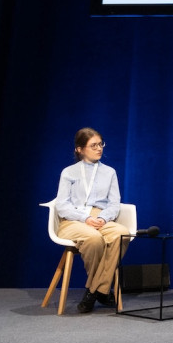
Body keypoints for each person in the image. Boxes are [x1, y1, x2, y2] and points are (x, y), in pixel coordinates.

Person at [54, 127, 126, 314]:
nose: (99, 148)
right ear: (79, 149)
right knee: (94, 239)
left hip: (100, 218)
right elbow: (62, 205)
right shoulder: (68, 172)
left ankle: (94, 290)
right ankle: (101, 291)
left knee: (122, 234)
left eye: (101, 144)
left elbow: (114, 203)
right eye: (93, 145)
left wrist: (102, 217)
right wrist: (85, 218)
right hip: (73, 220)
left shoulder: (109, 172)